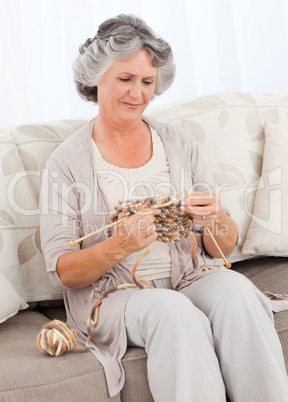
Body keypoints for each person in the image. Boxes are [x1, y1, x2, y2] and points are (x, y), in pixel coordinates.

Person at [40, 14, 288, 401]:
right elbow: (63, 273)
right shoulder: (65, 162)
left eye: (147, 82)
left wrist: (215, 217)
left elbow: (221, 247)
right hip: (114, 296)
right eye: (125, 79)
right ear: (95, 78)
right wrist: (117, 246)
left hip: (190, 274)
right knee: (174, 313)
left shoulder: (179, 142)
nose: (137, 93)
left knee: (239, 294)